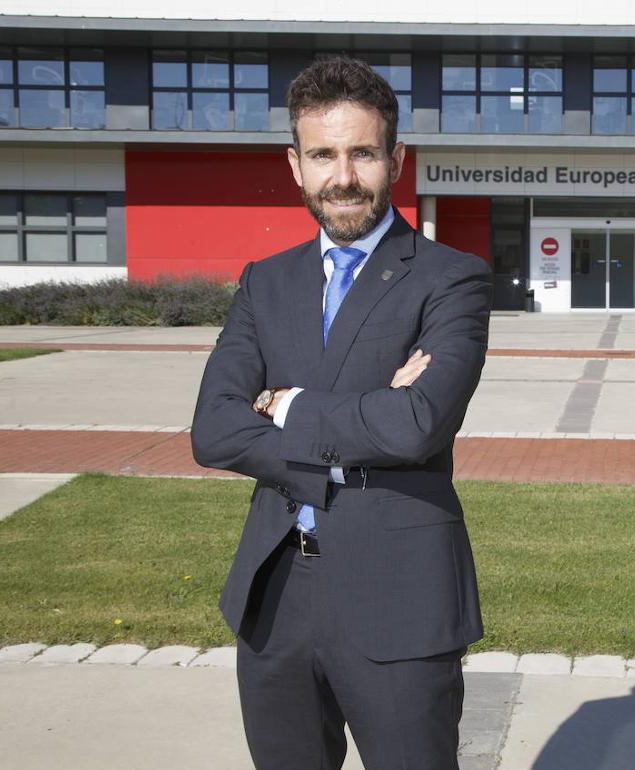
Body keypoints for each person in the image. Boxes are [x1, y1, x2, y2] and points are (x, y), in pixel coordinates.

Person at [191, 55, 492, 770]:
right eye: (324, 155)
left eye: (363, 153)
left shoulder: (451, 279)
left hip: (400, 593)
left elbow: (417, 424)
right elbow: (215, 429)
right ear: (295, 164)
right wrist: (364, 418)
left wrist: (284, 402)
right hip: (275, 596)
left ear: (397, 159)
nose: (344, 177)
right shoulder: (266, 283)